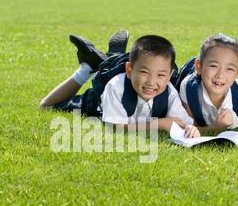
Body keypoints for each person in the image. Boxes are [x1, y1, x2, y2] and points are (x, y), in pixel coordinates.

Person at [40, 33, 200, 137]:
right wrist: (159, 124)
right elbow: (115, 127)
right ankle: (87, 68)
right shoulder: (115, 87)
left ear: (169, 76)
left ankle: (113, 55)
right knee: (46, 106)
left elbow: (181, 123)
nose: (152, 82)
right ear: (129, 71)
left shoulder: (169, 92)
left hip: (129, 76)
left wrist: (191, 129)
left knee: (139, 68)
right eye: (145, 73)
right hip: (95, 101)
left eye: (161, 75)